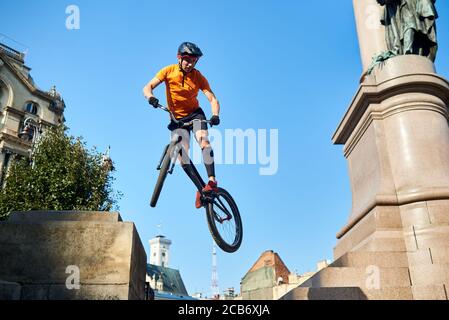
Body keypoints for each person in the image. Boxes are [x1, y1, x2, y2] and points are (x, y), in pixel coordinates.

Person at [143, 42, 220, 208]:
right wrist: (151, 97)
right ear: (179, 58)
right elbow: (147, 87)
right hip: (177, 118)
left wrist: (215, 115)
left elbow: (212, 98)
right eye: (187, 60)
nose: (190, 64)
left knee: (203, 140)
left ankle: (211, 181)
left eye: (193, 61)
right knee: (181, 155)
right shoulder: (168, 71)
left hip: (195, 115)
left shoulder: (198, 77)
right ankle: (200, 189)